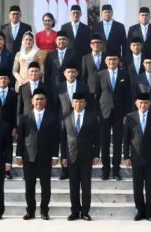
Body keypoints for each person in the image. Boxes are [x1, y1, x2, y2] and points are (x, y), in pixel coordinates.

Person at [16, 88, 59, 220]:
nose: (39, 101)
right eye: (37, 99)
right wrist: (18, 155)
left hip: (46, 157)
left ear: (45, 101)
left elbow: (55, 138)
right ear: (32, 101)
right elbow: (20, 138)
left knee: (46, 186)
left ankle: (44, 211)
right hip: (29, 156)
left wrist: (55, 155)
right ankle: (30, 211)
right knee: (29, 186)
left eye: (41, 99)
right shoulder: (24, 117)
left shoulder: (52, 117)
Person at [123, 94, 151, 221]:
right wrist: (126, 156)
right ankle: (140, 211)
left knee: (150, 186)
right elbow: (126, 139)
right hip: (136, 158)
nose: (143, 105)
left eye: (146, 103)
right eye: (141, 102)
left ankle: (149, 212)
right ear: (136, 103)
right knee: (137, 186)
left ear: (149, 104)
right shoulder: (130, 117)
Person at [61, 93, 100, 221]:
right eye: (76, 102)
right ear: (72, 104)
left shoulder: (92, 117)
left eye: (81, 102)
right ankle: (75, 211)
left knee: (86, 185)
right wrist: (63, 157)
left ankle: (85, 212)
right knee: (73, 185)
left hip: (87, 155)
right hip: (71, 155)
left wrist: (96, 155)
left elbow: (97, 138)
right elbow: (63, 139)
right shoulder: (66, 117)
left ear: (85, 103)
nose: (78, 104)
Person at [95, 51, 131, 181]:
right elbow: (96, 95)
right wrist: (96, 113)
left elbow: (128, 96)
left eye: (114, 59)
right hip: (104, 112)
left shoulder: (124, 75)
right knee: (104, 142)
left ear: (118, 61)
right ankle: (105, 170)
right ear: (105, 61)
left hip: (119, 113)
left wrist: (127, 114)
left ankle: (116, 170)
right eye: (109, 59)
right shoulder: (100, 75)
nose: (112, 62)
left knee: (117, 142)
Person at [0, 70, 18, 178]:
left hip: (9, 126)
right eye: (1, 78)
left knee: (8, 148)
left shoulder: (14, 94)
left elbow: (16, 111)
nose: (3, 80)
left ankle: (7, 171)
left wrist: (15, 126)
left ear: (9, 80)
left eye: (5, 78)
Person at [81, 34, 107, 104]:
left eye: (98, 42)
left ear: (102, 45)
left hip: (105, 88)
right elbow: (84, 75)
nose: (96, 44)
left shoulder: (107, 56)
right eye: (93, 43)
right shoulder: (85, 58)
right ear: (90, 45)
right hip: (91, 89)